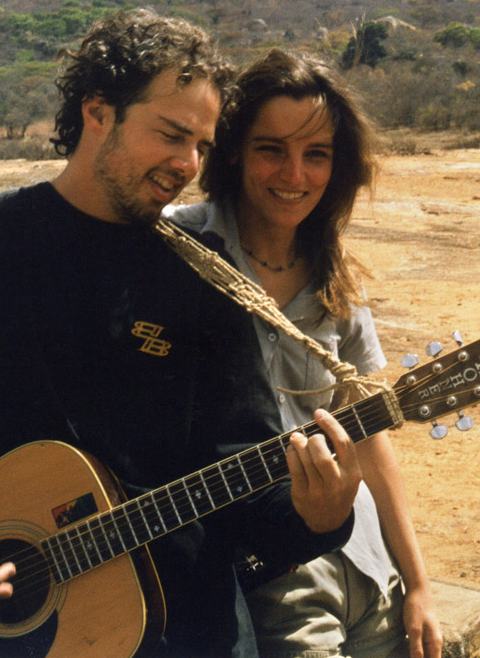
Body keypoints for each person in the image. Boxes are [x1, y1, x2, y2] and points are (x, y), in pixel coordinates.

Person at [0, 13, 363, 658]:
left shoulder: (202, 278)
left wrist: (320, 516)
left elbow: (243, 479)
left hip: (188, 632)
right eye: (171, 134)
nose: (187, 164)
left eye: (201, 145)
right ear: (98, 112)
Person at [168, 48, 444, 658]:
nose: (294, 174)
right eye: (273, 149)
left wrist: (419, 584)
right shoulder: (179, 249)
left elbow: (371, 437)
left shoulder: (336, 280)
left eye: (316, 154)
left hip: (367, 566)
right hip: (273, 571)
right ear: (234, 149)